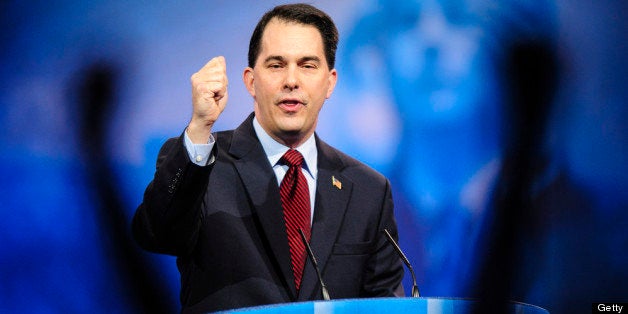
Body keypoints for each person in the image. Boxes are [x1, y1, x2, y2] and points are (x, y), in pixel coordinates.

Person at [132, 3, 404, 313]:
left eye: (307, 65)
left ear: (330, 82)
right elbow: (157, 235)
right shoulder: (203, 163)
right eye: (276, 65)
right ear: (250, 81)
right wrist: (199, 128)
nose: (291, 80)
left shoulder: (368, 189)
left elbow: (385, 303)